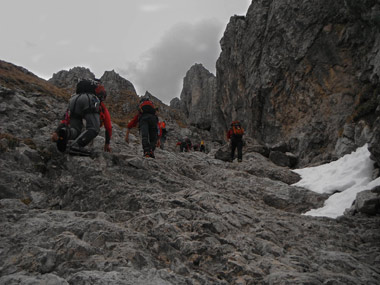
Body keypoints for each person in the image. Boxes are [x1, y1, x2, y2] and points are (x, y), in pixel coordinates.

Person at [51, 78, 112, 154]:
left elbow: (67, 118)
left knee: (76, 130)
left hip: (73, 100)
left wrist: (57, 131)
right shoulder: (99, 103)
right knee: (93, 128)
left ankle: (66, 133)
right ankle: (77, 145)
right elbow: (108, 127)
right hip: (89, 100)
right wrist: (107, 143)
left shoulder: (76, 96)